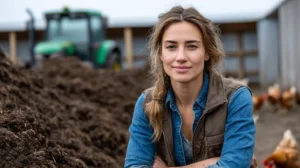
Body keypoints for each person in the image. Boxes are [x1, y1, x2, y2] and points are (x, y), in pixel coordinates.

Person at [125, 5, 256, 168]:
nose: (181, 57)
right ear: (161, 54)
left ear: (207, 52)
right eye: (171, 47)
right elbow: (134, 165)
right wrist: (213, 162)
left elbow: (235, 164)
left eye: (191, 46)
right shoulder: (147, 104)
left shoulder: (235, 98)